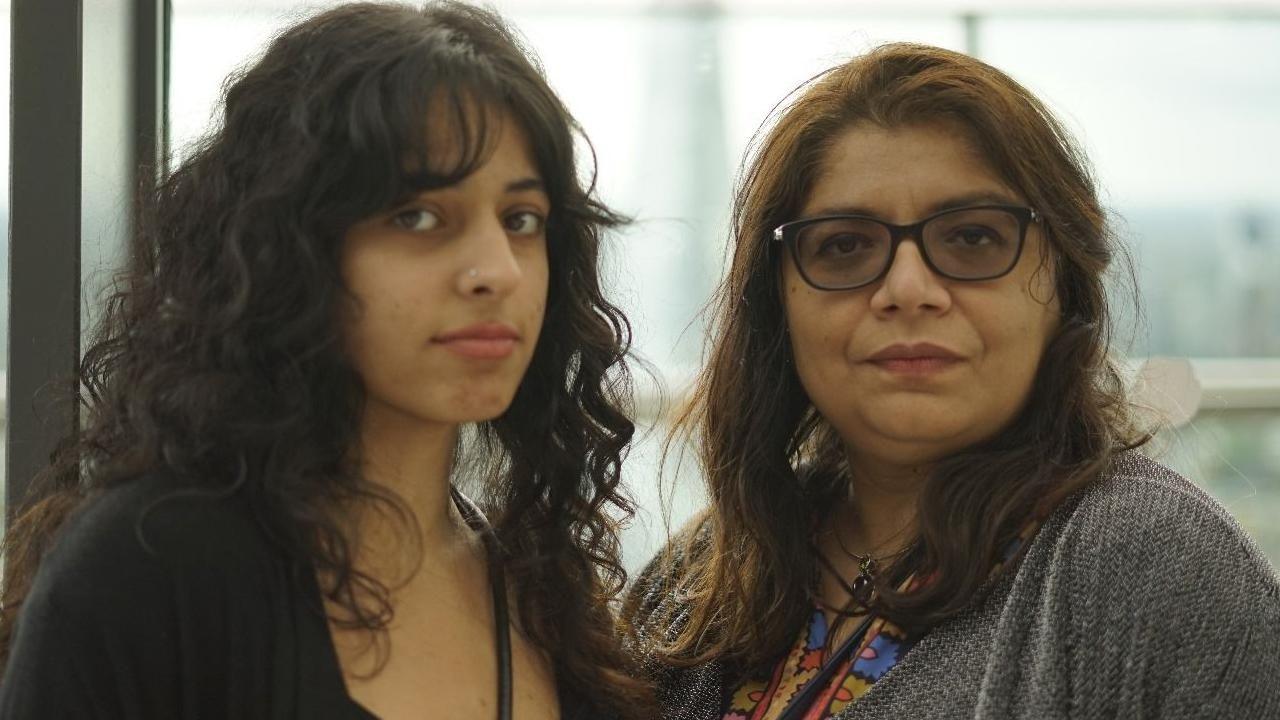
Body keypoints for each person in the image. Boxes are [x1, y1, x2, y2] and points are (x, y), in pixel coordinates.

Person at [0, 3, 650, 718]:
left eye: (520, 220)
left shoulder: (545, 596)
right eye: (419, 217)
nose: (497, 270)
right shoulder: (148, 569)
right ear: (291, 252)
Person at [624, 43, 1280, 719]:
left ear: (1063, 282)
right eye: (845, 245)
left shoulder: (1157, 566)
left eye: (972, 238)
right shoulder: (708, 571)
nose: (909, 290)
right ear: (777, 302)